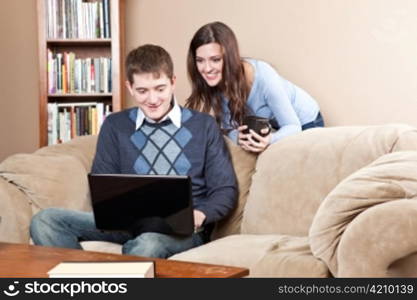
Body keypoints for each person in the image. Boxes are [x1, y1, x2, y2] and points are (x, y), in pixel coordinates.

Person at [30, 44, 237, 258]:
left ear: (173, 82)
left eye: (160, 88)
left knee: (148, 244)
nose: (153, 99)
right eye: (142, 91)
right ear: (130, 87)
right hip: (127, 225)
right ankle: (86, 282)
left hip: (181, 233)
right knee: (45, 221)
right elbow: (103, 182)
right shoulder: (115, 125)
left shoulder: (203, 126)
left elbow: (225, 190)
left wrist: (200, 214)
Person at [186, 21, 324, 153]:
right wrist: (238, 137)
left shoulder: (264, 76)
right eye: (200, 61)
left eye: (215, 60)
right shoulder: (215, 82)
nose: (207, 68)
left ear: (229, 58)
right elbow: (228, 127)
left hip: (305, 122)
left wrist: (270, 140)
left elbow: (293, 126)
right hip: (276, 125)